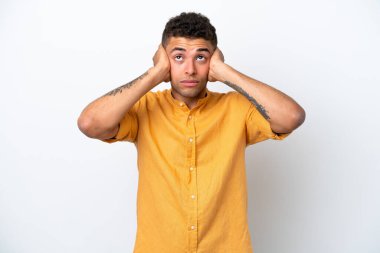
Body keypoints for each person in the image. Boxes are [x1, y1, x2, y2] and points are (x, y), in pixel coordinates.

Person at [77, 12, 305, 253]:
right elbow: (90, 123)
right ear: (164, 59)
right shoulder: (144, 108)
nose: (190, 69)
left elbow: (291, 117)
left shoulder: (236, 109)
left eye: (201, 57)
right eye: (178, 57)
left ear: (213, 61)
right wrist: (155, 73)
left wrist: (225, 72)